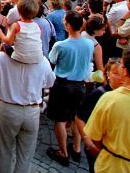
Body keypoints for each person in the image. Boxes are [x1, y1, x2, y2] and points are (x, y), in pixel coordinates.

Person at [0, 36, 56, 173]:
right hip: (32, 110)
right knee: (25, 155)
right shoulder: (42, 60)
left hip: (8, 108)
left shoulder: (2, 57)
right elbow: (49, 82)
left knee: (5, 150)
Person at [46, 11, 94, 167]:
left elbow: (52, 60)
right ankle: (76, 148)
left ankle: (63, 152)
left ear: (68, 25)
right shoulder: (89, 43)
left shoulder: (61, 45)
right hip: (79, 85)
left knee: (59, 119)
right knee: (75, 117)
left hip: (62, 84)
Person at [74, 58, 124, 173]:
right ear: (108, 74)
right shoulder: (98, 94)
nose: (120, 77)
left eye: (122, 74)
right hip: (97, 146)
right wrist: (87, 141)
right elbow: (80, 117)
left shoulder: (126, 96)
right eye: (116, 73)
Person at [0, 0, 43, 64]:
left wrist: (0, 33)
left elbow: (8, 42)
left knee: (3, 45)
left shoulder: (16, 25)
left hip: (20, 58)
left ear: (19, 11)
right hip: (38, 58)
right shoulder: (37, 26)